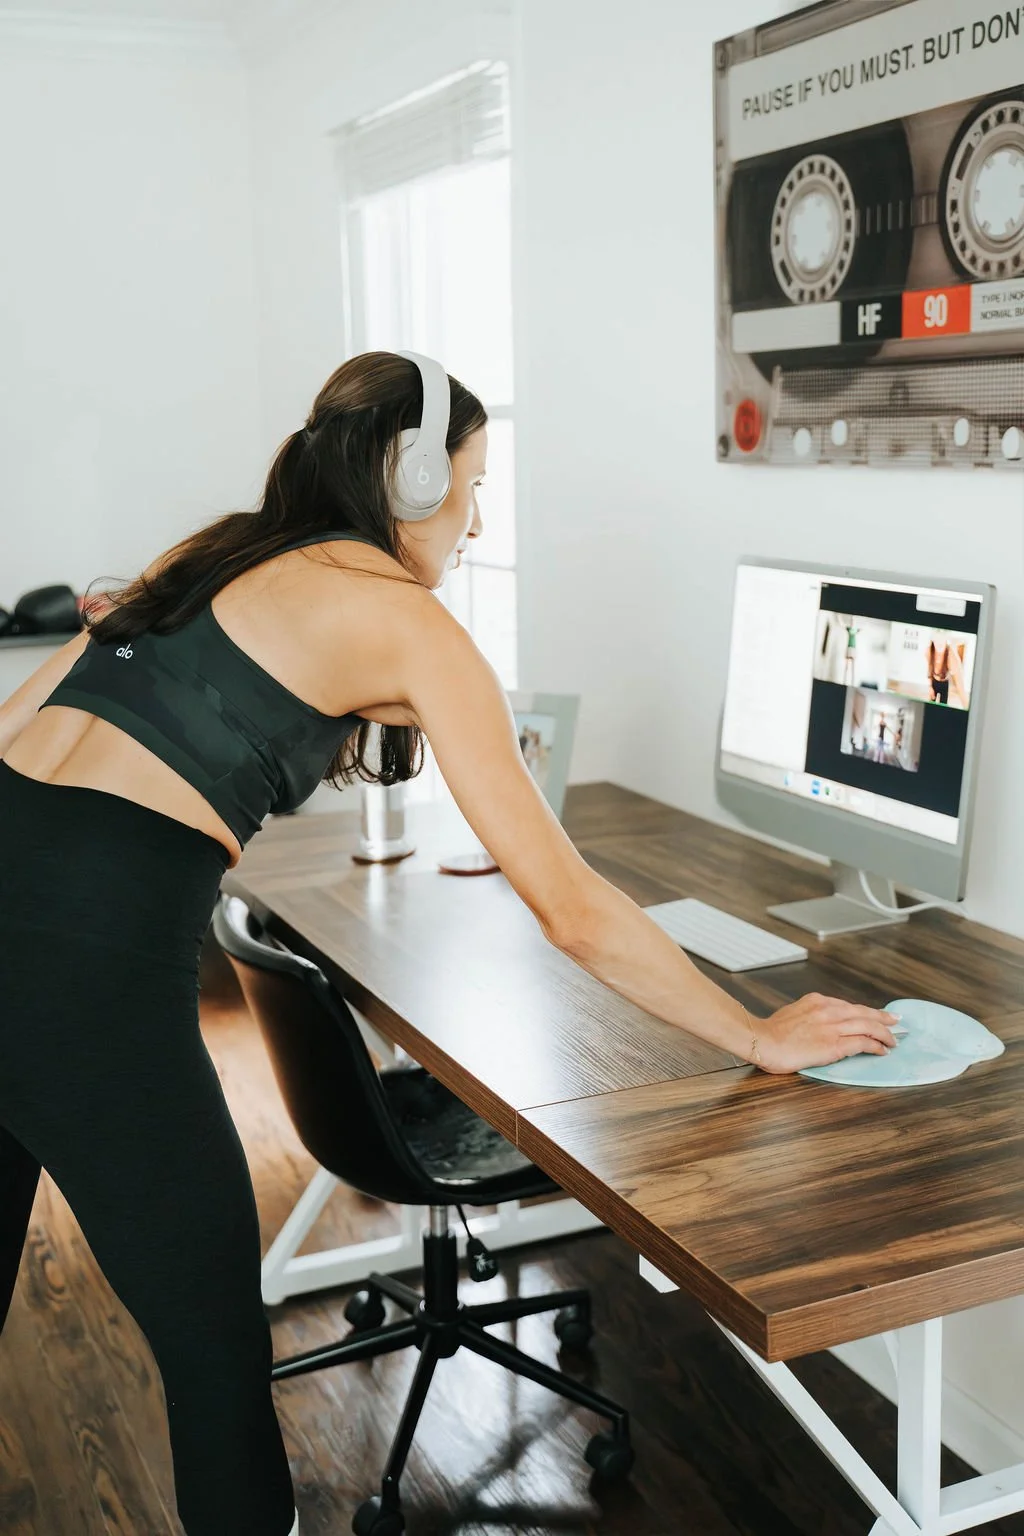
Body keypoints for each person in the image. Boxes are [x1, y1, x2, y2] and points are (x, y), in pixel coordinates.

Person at [0, 351, 898, 1536]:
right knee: (214, 1360)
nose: (474, 523)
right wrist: (751, 1029)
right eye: (473, 487)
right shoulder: (405, 623)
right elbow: (568, 903)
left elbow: (21, 724)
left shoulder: (211, 551)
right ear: (413, 478)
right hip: (91, 969)